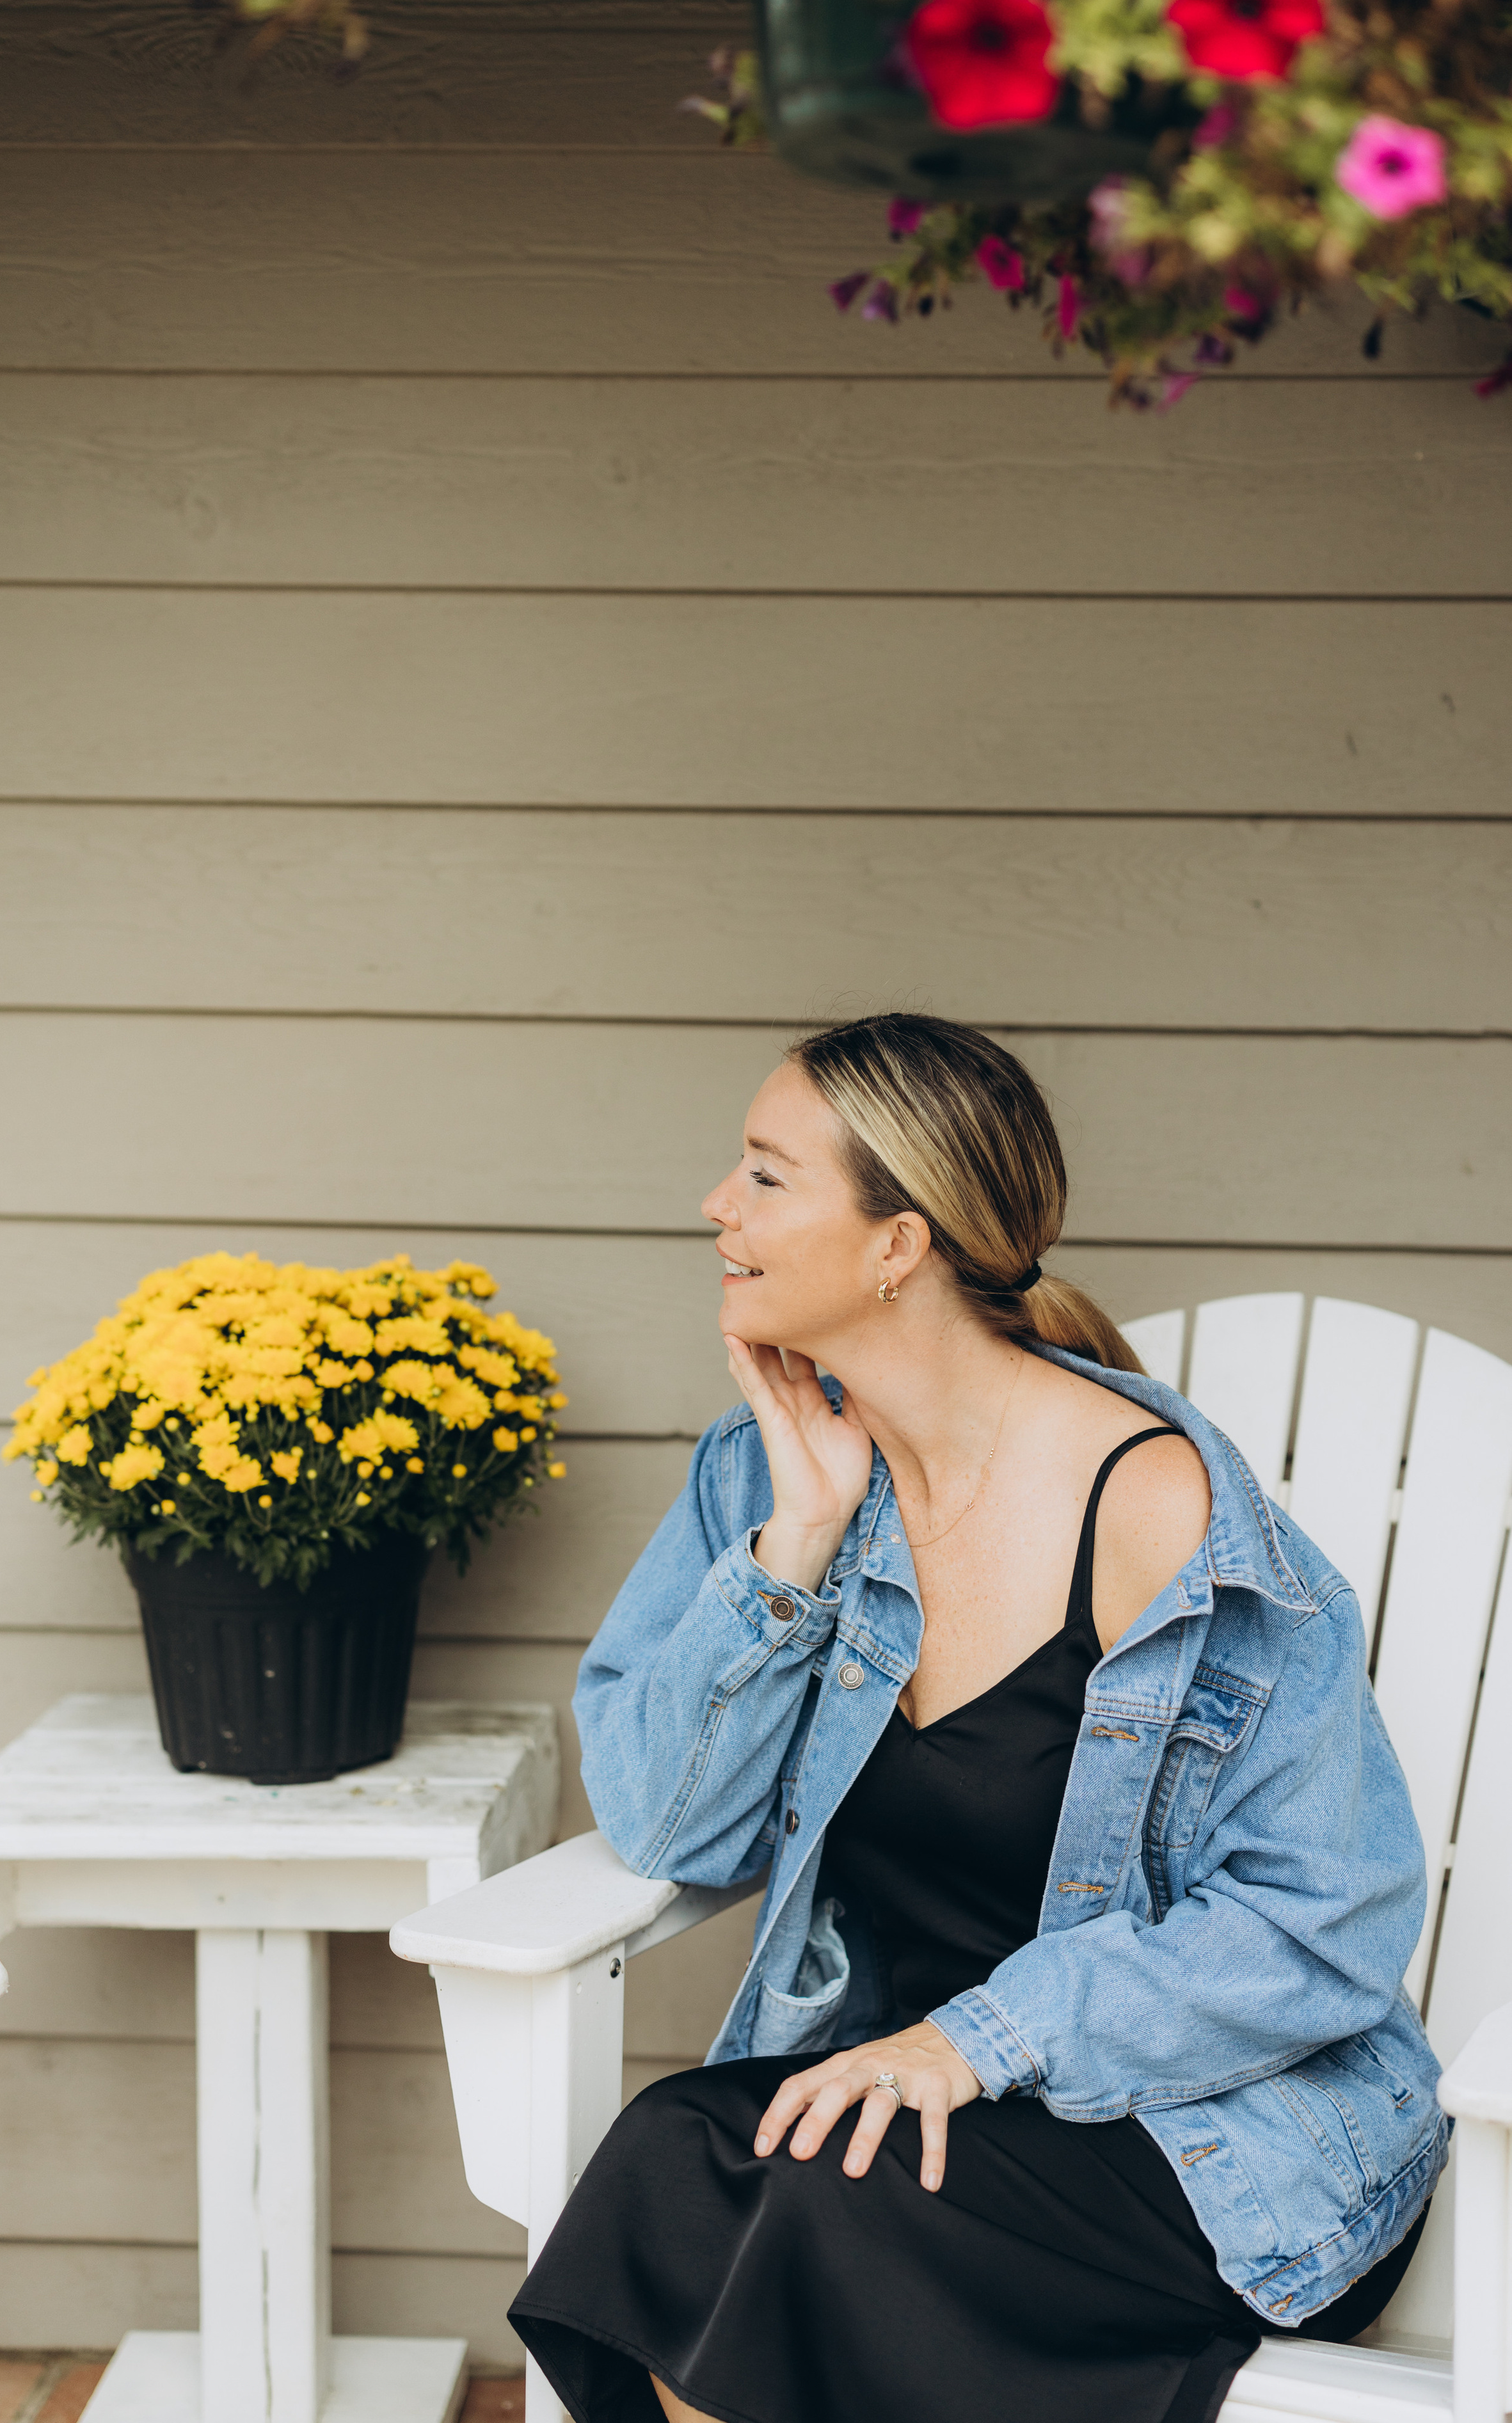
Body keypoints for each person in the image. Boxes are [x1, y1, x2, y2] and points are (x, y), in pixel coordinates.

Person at [510, 1013, 1445, 2423]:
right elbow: (661, 1824)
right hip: (927, 2115)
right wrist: (795, 1547)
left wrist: (975, 2043)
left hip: (1218, 2138)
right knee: (671, 2160)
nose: (716, 1203)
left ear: (898, 1243)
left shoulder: (1159, 1514)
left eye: (764, 1174)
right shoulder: (767, 1469)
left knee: (801, 2216)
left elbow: (1320, 1920)